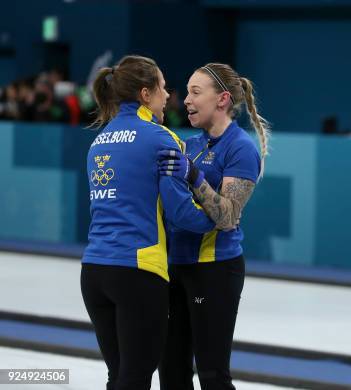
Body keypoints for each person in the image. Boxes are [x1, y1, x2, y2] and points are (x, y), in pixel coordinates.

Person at [81, 55, 216, 390]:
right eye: (162, 86)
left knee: (120, 375)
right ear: (145, 93)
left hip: (94, 270)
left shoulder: (99, 140)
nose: (168, 95)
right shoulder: (161, 138)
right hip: (138, 272)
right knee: (136, 377)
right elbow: (180, 212)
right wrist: (217, 219)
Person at [157, 63, 269, 390]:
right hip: (175, 266)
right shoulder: (189, 144)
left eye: (195, 92)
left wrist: (194, 176)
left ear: (222, 99)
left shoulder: (240, 148)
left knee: (212, 376)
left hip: (215, 270)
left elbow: (228, 216)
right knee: (171, 373)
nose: (185, 100)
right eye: (186, 92)